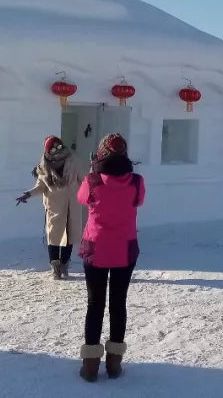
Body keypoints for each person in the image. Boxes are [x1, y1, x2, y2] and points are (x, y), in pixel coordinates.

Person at [76, 133, 145, 382]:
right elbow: (139, 201)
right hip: (125, 249)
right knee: (118, 303)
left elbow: (81, 198)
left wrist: (93, 168)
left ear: (101, 153)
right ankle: (114, 364)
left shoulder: (93, 179)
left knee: (95, 304)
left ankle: (91, 365)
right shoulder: (136, 181)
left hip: (96, 248)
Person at [16, 136, 82, 280]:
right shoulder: (44, 167)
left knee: (69, 236)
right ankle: (55, 268)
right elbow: (40, 187)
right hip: (54, 206)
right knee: (54, 237)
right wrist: (29, 194)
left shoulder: (72, 161)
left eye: (59, 147)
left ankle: (64, 265)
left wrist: (91, 193)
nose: (58, 150)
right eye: (54, 149)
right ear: (48, 151)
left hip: (72, 205)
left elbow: (83, 180)